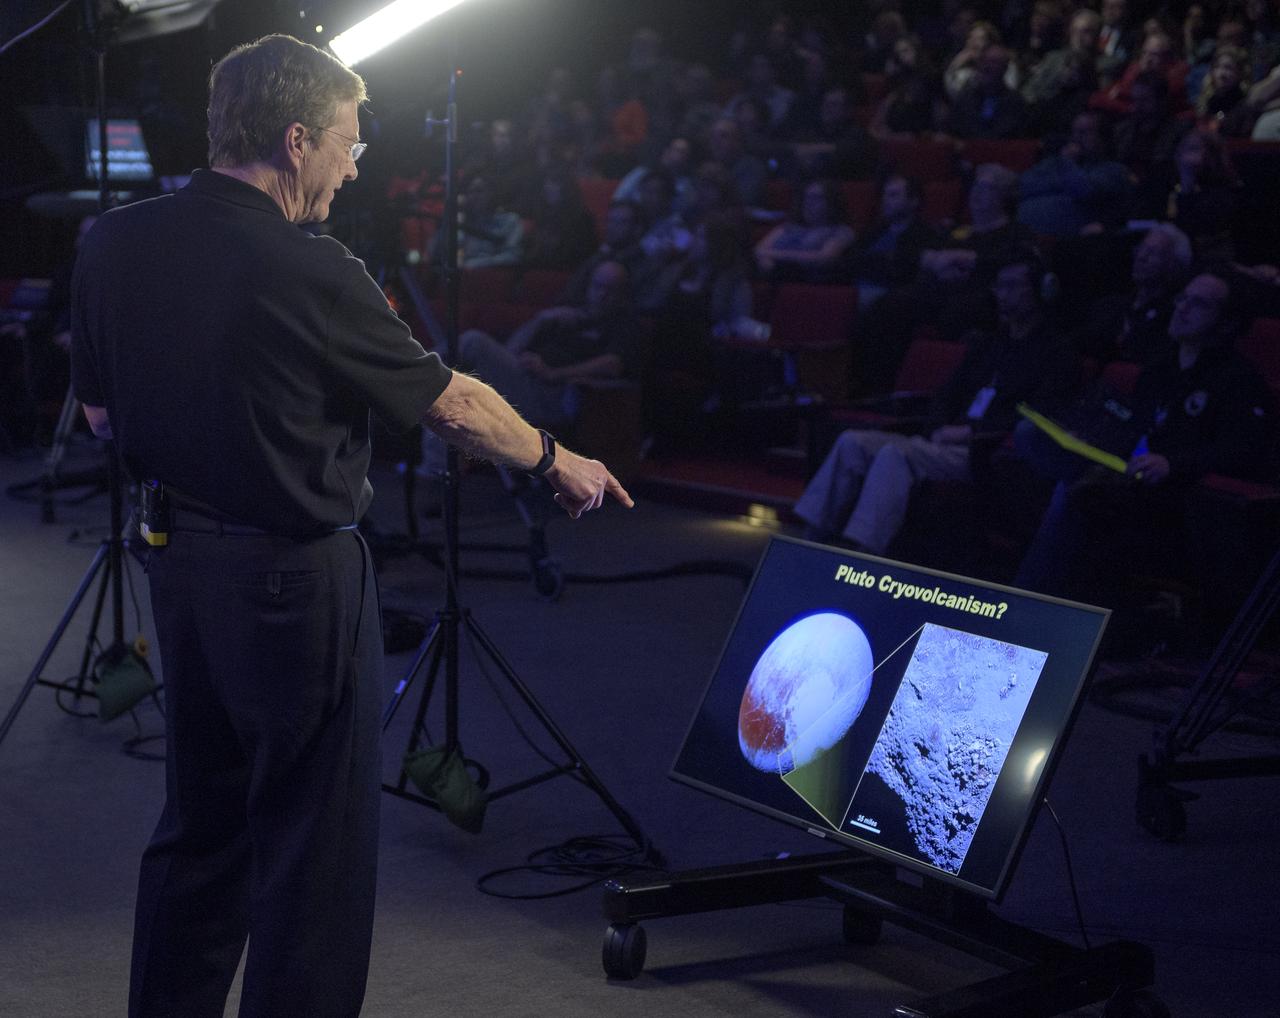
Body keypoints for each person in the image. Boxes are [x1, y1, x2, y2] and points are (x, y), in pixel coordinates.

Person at [70, 35, 631, 1018]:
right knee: (310, 850)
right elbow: (449, 404)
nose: (355, 159)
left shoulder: (111, 241)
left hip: (179, 567)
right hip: (292, 585)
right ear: (295, 141)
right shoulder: (310, 266)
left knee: (200, 822)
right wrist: (555, 459)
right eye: (346, 139)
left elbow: (101, 415)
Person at [795, 250, 1078, 555]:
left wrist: (969, 433)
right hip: (942, 445)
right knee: (852, 442)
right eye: (1000, 286)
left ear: (1041, 290)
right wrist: (940, 425)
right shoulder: (988, 344)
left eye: (1013, 285)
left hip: (986, 453)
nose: (1003, 294)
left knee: (894, 455)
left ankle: (862, 556)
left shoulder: (1055, 353)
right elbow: (947, 394)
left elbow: (1040, 418)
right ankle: (808, 542)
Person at [1013, 272, 1273, 602]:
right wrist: (1090, 439)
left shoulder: (1240, 381)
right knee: (1031, 434)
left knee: (1074, 494)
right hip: (1131, 474)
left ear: (1228, 322)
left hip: (1179, 497)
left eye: (1200, 304)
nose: (1182, 309)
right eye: (1183, 298)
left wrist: (1172, 464)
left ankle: (1025, 604)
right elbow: (1137, 428)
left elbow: (1244, 451)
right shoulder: (1159, 368)